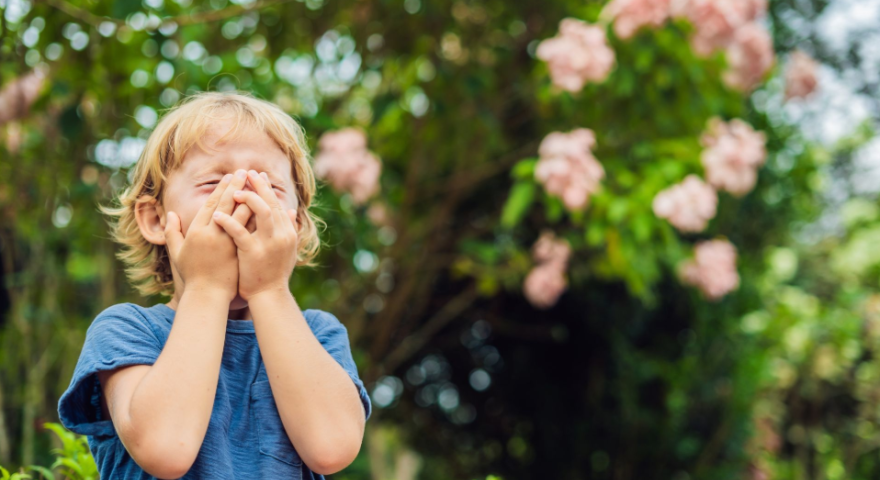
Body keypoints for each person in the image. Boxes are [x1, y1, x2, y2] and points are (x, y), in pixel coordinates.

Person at [57, 91, 372, 479]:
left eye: (270, 187)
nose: (242, 196)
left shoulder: (319, 335)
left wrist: (269, 290)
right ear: (156, 220)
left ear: (296, 227)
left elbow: (333, 449)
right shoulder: (126, 330)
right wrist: (207, 286)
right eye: (212, 183)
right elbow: (166, 450)